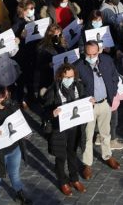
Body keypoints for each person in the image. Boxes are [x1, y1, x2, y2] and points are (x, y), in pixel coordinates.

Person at [75, 41, 121, 173]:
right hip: (89, 107)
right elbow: (76, 88)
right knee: (88, 136)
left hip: (105, 103)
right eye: (88, 54)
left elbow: (114, 76)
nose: (91, 57)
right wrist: (85, 98)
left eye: (94, 54)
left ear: (99, 51)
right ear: (84, 52)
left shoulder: (106, 60)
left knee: (105, 132)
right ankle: (87, 163)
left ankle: (107, 155)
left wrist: (112, 91)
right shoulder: (78, 66)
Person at [0, 87, 33, 205]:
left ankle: (19, 193)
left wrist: (24, 132)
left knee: (14, 173)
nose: (7, 98)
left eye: (7, 95)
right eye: (4, 96)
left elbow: (20, 121)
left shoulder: (12, 106)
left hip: (14, 148)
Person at [46, 63, 87, 196]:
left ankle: (74, 179)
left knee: (72, 154)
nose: (69, 79)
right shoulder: (53, 90)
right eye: (66, 77)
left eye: (71, 76)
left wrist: (89, 103)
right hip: (59, 129)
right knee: (61, 156)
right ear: (60, 77)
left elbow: (83, 102)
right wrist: (52, 113)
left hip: (74, 128)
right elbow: (45, 110)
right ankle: (63, 181)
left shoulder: (79, 87)